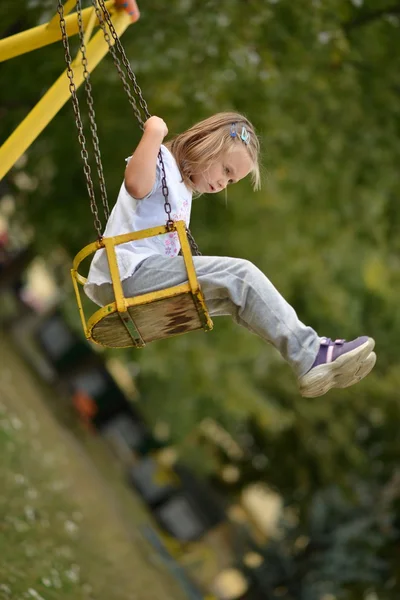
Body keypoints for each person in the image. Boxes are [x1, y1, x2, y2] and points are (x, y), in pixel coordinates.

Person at [84, 112, 376, 398]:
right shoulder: (160, 160)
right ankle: (311, 351)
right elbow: (135, 183)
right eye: (226, 170)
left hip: (138, 280)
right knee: (241, 275)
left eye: (232, 181)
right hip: (126, 273)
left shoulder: (184, 190)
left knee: (236, 298)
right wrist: (154, 131)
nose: (224, 184)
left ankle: (308, 360)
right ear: (207, 144)